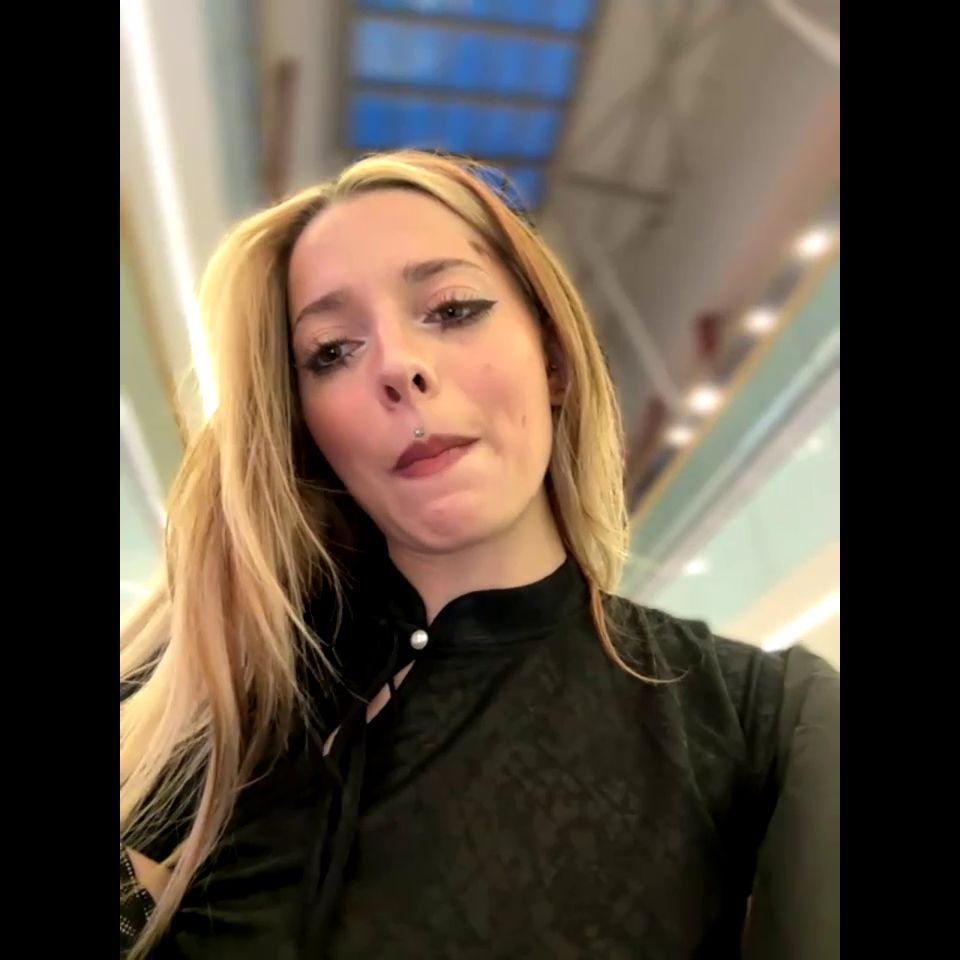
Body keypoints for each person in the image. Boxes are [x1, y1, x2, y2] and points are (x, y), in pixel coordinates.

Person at [120, 149, 840, 960]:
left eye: (453, 308)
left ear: (554, 359)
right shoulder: (185, 700)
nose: (399, 366)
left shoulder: (763, 721)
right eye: (332, 351)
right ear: (306, 426)